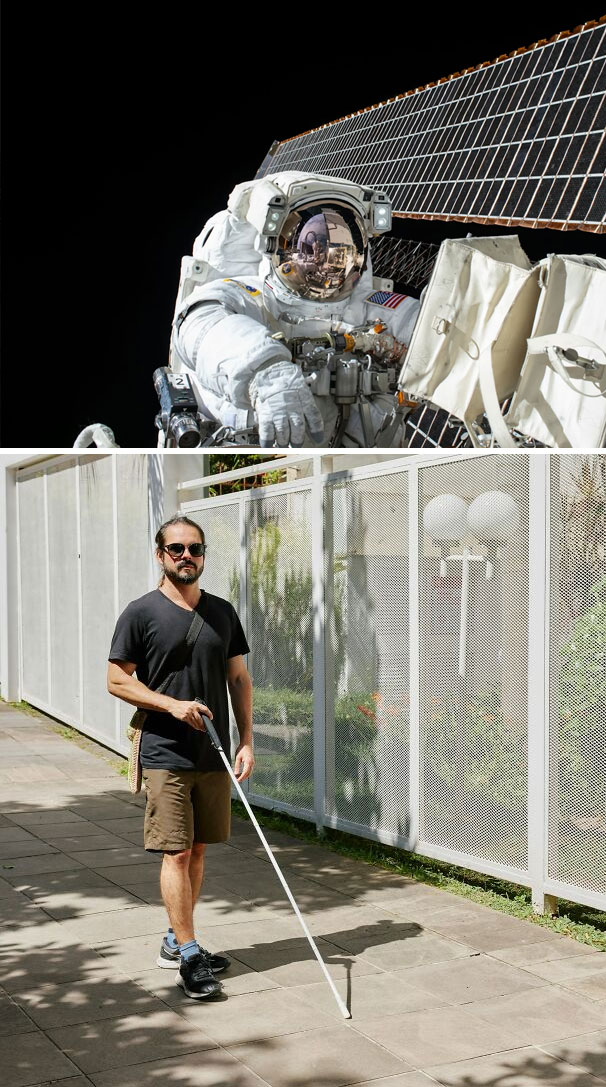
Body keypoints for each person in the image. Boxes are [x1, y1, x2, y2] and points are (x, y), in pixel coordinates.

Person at [107, 515, 253, 1000]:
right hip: (165, 750)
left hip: (212, 751)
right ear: (160, 555)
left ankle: (176, 939)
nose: (186, 555)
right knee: (177, 850)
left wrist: (247, 739)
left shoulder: (223, 613)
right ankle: (190, 955)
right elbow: (116, 679)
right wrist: (172, 705)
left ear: (203, 555)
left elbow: (238, 679)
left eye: (194, 548)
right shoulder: (141, 613)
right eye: (176, 549)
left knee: (200, 849)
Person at [169, 170, 421, 448]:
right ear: (280, 246)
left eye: (340, 250)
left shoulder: (369, 307)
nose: (327, 262)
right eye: (314, 247)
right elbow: (199, 320)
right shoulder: (252, 294)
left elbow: (435, 330)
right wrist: (264, 370)